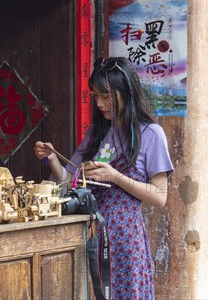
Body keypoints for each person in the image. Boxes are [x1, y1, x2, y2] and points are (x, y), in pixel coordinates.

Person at [34, 57, 173, 300]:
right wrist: (53, 159)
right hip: (88, 237)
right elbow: (69, 180)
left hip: (125, 240)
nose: (99, 103)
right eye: (95, 96)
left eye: (105, 96)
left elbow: (160, 196)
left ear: (126, 92)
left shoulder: (151, 134)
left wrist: (116, 177)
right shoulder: (98, 133)